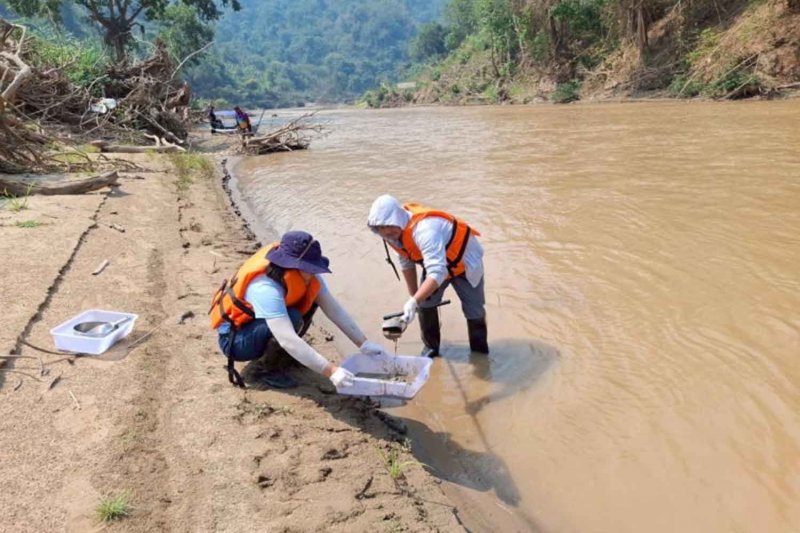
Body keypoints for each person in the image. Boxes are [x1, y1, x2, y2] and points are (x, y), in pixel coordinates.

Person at [210, 230, 387, 388]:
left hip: (258, 325)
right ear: (291, 264)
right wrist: (332, 371)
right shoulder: (265, 287)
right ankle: (264, 371)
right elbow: (288, 339)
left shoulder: (306, 276)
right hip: (236, 341)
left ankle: (286, 358)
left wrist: (364, 344)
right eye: (309, 268)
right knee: (293, 317)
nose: (313, 272)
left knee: (311, 300)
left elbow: (334, 310)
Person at [367, 195, 488, 357]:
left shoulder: (425, 230)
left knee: (474, 309)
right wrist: (414, 298)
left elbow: (437, 272)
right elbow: (406, 261)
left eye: (389, 225)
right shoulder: (392, 235)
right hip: (436, 265)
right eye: (381, 227)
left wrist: (414, 300)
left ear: (398, 219)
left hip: (465, 264)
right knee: (425, 305)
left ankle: (479, 353)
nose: (387, 230)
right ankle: (431, 348)